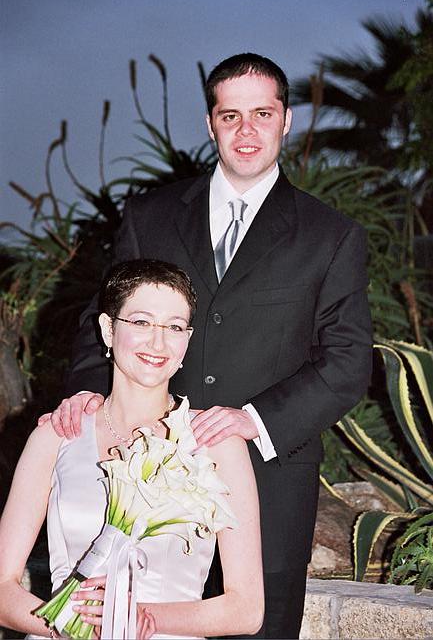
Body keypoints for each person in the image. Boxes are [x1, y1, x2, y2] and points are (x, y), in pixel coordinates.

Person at [40, 53, 372, 638]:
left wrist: (253, 421)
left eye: (262, 114)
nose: (247, 131)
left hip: (270, 487)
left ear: (287, 120)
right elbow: (103, 318)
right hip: (137, 480)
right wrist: (89, 395)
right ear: (210, 122)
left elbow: (347, 363)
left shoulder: (332, 235)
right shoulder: (150, 215)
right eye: (230, 115)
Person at [0, 259, 263, 639]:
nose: (158, 343)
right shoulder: (57, 435)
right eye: (141, 322)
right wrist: (66, 627)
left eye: (174, 327)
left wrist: (140, 618)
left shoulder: (216, 443)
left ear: (187, 339)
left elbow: (246, 609)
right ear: (108, 329)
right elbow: (3, 587)